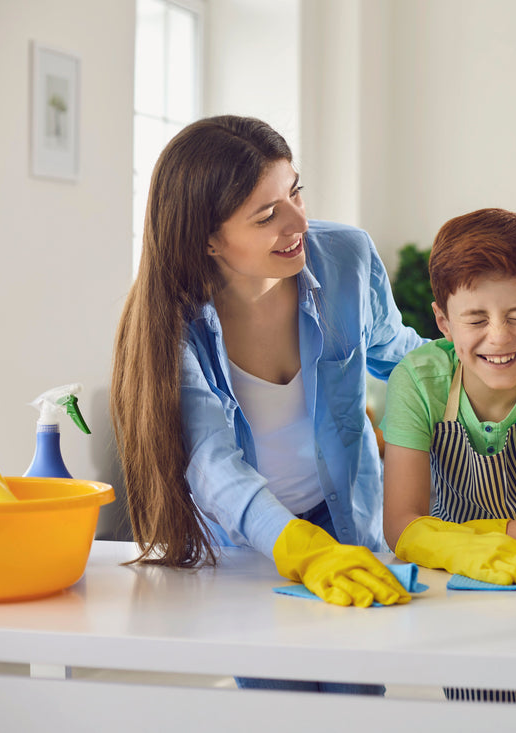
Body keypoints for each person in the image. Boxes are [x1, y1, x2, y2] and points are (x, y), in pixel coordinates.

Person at [111, 115, 425, 691]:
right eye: (267, 214)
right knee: (279, 704)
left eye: (296, 191)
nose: (299, 221)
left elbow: (397, 352)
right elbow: (211, 462)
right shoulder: (172, 326)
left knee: (356, 698)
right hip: (249, 544)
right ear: (207, 238)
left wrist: (487, 358)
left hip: (348, 525)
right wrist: (296, 546)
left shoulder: (346, 258)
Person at [381, 208, 516, 586]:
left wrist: (454, 537)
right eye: (477, 320)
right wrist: (460, 550)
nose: (498, 337)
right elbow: (400, 525)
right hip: (448, 575)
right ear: (444, 323)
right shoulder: (418, 381)